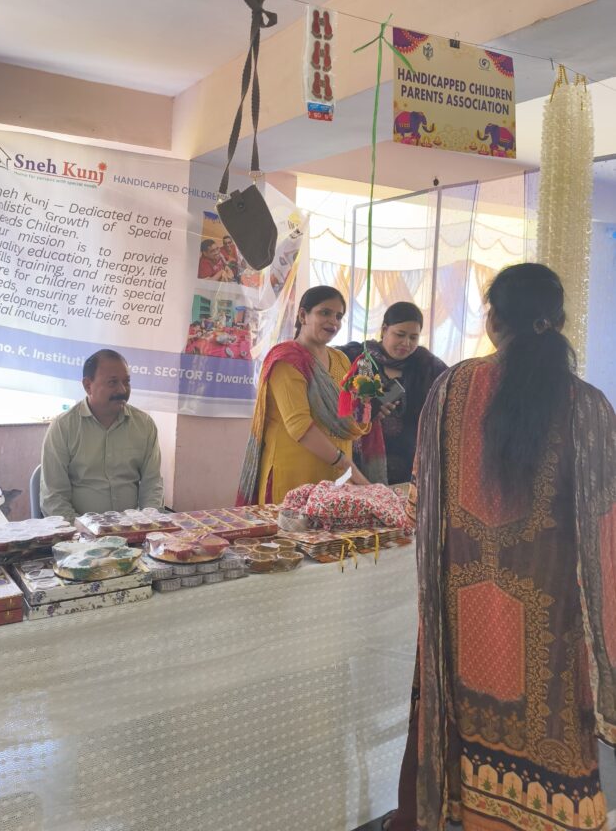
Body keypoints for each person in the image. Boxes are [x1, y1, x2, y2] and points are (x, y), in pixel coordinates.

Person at [387, 263, 616, 831]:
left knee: (470, 733)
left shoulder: (450, 390)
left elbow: (421, 502)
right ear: (557, 322)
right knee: (555, 742)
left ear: (493, 321)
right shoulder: (586, 407)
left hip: (464, 614)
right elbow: (606, 528)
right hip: (549, 618)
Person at [237, 285, 369, 505]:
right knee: (292, 527)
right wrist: (347, 465)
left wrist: (365, 405)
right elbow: (299, 426)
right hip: (293, 475)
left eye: (338, 316)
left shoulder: (340, 360)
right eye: (325, 312)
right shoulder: (287, 360)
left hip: (335, 476)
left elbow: (344, 415)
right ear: (302, 315)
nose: (333, 322)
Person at [40, 349, 164, 521]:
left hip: (132, 528)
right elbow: (53, 497)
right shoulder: (63, 427)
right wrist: (81, 529)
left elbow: (152, 485)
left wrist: (147, 522)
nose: (122, 390)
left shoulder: (144, 425)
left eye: (126, 382)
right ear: (87, 385)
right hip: (78, 531)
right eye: (112, 382)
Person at [340, 302, 447, 484]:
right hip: (359, 464)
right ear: (384, 329)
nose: (406, 343)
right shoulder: (358, 357)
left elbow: (454, 385)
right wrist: (366, 407)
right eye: (400, 334)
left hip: (410, 465)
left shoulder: (426, 365)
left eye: (413, 337)